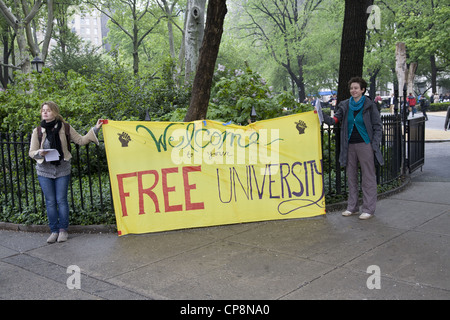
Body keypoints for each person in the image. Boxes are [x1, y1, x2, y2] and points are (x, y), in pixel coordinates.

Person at [29, 101, 103, 243]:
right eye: (43, 110)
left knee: (61, 200)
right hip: (44, 170)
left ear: (55, 112)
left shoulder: (65, 127)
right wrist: (40, 153)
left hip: (62, 169)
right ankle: (54, 231)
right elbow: (31, 152)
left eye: (48, 110)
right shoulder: (38, 131)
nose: (45, 112)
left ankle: (63, 230)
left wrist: (96, 128)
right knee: (50, 202)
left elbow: (81, 140)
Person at [321, 77, 384, 220]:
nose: (353, 91)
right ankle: (352, 207)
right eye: (351, 88)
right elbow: (334, 120)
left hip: (365, 144)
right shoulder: (345, 105)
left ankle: (368, 209)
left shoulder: (369, 105)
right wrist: (321, 115)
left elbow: (377, 126)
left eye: (356, 88)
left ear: (362, 90)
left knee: (368, 177)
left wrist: (374, 145)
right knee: (351, 176)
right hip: (349, 145)